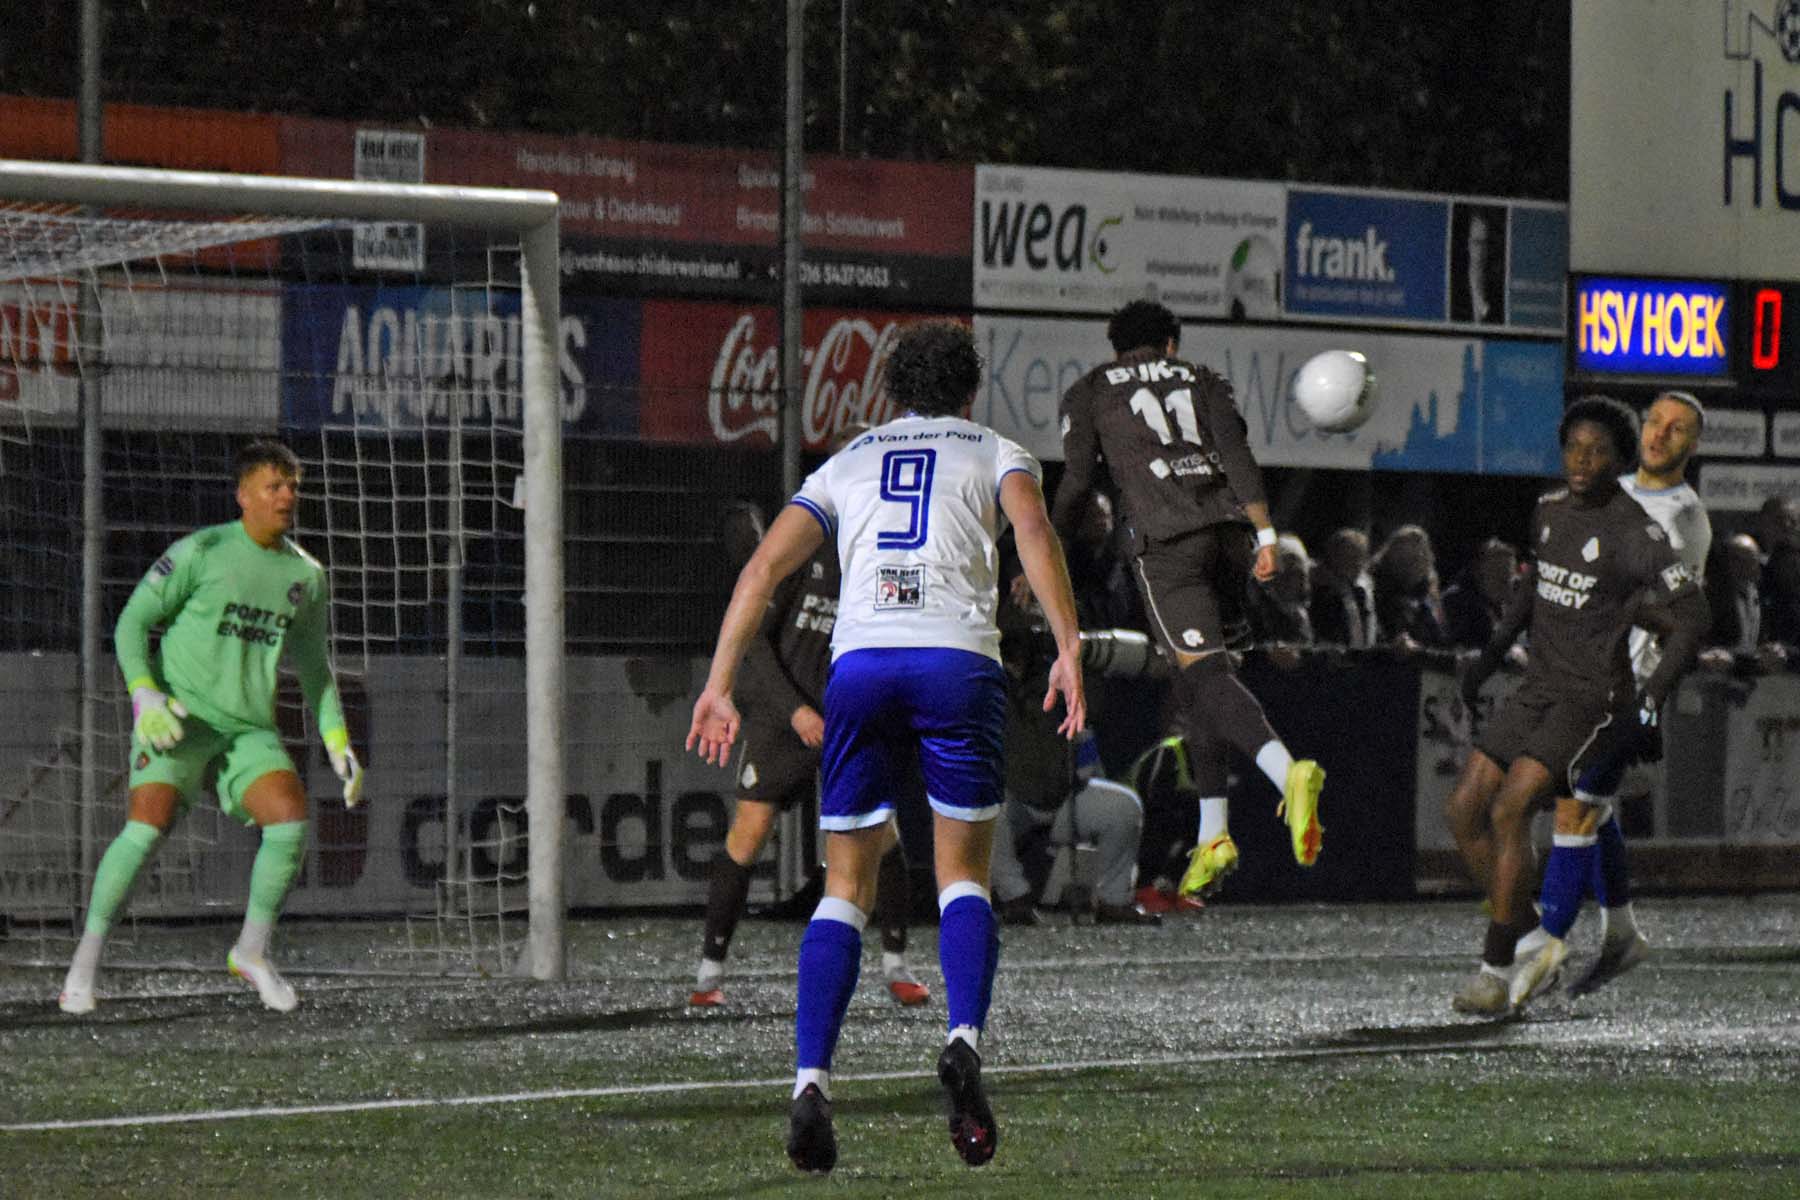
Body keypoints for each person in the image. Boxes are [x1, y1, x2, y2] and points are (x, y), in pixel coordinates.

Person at [687, 321, 1085, 1174]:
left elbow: (760, 572)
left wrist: (718, 683)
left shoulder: (848, 460)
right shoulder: (996, 451)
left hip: (861, 668)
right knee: (962, 876)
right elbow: (1033, 532)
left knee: (845, 888)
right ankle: (963, 1039)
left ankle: (810, 1082)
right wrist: (1068, 646)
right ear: (970, 393)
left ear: (892, 393)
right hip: (956, 665)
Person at [58, 440, 364, 1015]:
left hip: (246, 728)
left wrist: (337, 739)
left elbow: (314, 667)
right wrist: (144, 694)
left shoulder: (305, 574)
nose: (286, 496)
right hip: (178, 718)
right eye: (274, 486)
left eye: (292, 486)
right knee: (146, 829)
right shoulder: (201, 551)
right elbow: (132, 623)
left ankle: (251, 952)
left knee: (289, 818)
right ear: (243, 494)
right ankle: (84, 964)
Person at [1052, 299, 1323, 905]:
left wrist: (1047, 541)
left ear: (1116, 346)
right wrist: (1267, 534)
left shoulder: (1091, 389)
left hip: (1167, 545)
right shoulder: (1203, 378)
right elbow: (1238, 457)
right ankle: (1213, 834)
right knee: (1200, 680)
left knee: (1203, 678)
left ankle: (1288, 773)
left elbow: (1077, 482)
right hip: (1230, 537)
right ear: (1171, 343)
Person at [1448, 396, 1707, 1017]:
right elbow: (1532, 593)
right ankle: (1538, 934)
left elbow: (1694, 615)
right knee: (1462, 812)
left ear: (1618, 459)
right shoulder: (1549, 510)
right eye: (1574, 448)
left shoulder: (1637, 530)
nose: (1582, 461)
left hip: (1592, 698)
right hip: (1536, 686)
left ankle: (1495, 969)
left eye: (1597, 451)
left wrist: (1651, 700)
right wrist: (1489, 657)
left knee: (1516, 809)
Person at [688, 427, 928, 1009]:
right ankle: (708, 975)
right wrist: (796, 711)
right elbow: (756, 644)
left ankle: (897, 965)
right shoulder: (803, 537)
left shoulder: (887, 547)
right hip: (784, 718)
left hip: (849, 716)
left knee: (883, 835)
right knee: (749, 834)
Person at [1538, 390, 1710, 997]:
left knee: (1576, 805)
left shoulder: (1683, 517)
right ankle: (1620, 931)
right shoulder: (1611, 490)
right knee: (1588, 804)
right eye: (1655, 422)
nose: (1660, 434)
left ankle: (1539, 952)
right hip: (1578, 674)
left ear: (1694, 445)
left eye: (1677, 429)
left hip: (1625, 685)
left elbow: (1675, 615)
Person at [1369, 524, 1453, 650]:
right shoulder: (1377, 590)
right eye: (1409, 558)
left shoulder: (1427, 593)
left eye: (1422, 554)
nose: (1417, 561)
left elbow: (1440, 635)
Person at [1442, 538, 1519, 650]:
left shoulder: (1501, 605)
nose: (1506, 583)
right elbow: (1471, 647)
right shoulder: (1458, 602)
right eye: (1497, 573)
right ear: (1479, 572)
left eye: (1509, 575)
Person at [1308, 527, 1377, 648]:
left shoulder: (1362, 591)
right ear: (1333, 557)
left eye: (1360, 557)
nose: (1356, 564)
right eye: (1350, 557)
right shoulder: (1318, 591)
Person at [1247, 534, 1315, 648]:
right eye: (1282, 572)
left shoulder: (1304, 612)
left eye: (1295, 572)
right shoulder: (1258, 613)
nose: (1289, 580)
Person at [1755, 495, 1800, 653]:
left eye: (1793, 522)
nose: (1787, 527)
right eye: (1779, 520)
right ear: (1763, 523)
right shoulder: (1748, 566)